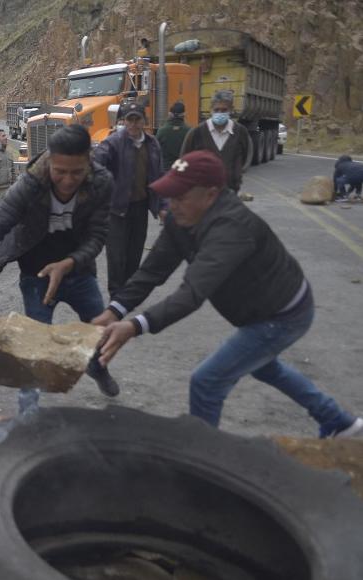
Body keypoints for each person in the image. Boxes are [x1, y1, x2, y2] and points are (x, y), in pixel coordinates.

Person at [92, 150, 362, 438]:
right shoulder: (180, 219)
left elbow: (192, 293)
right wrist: (114, 311)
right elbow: (152, 271)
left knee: (207, 380)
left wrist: (134, 326)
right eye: (170, 195)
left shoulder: (232, 227)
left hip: (283, 314)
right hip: (256, 310)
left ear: (211, 195)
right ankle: (340, 422)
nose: (173, 204)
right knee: (264, 367)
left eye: (181, 197)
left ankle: (204, 461)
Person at [0, 125, 121, 413]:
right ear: (50, 161)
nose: (67, 180)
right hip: (36, 275)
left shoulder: (102, 183)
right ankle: (28, 412)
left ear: (88, 162)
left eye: (76, 173)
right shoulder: (29, 184)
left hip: (78, 269)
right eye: (59, 171)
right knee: (34, 346)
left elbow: (98, 235)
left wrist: (69, 263)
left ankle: (97, 368)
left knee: (99, 330)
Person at [93, 102, 166, 296]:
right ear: (123, 122)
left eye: (137, 119)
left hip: (140, 207)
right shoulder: (113, 143)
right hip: (116, 210)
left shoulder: (152, 144)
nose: (133, 124)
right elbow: (95, 165)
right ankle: (115, 295)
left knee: (134, 254)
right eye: (129, 119)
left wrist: (162, 206)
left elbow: (159, 176)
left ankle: (127, 293)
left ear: (144, 121)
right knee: (116, 256)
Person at [180, 89, 252, 195]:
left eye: (224, 110)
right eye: (216, 110)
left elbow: (247, 156)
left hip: (231, 192)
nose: (220, 113)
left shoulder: (240, 132)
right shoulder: (197, 133)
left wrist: (236, 174)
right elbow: (184, 158)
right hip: (203, 193)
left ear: (231, 110)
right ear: (211, 110)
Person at [156, 101, 191, 171]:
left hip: (166, 170)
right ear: (184, 114)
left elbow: (156, 151)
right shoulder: (189, 131)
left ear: (170, 114)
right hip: (183, 169)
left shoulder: (162, 131)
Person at [0, 129, 17, 200]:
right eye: (3, 136)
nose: (6, 138)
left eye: (6, 135)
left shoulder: (9, 154)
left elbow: (13, 171)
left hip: (8, 190)